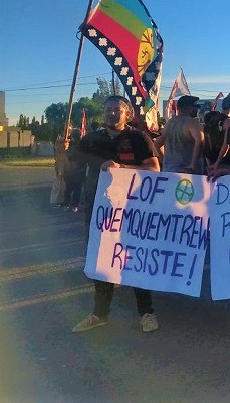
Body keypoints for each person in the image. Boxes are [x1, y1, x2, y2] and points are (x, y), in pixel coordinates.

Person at [72, 95, 161, 334]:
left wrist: (122, 168)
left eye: (117, 110)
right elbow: (73, 167)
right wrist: (68, 148)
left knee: (134, 258)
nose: (112, 113)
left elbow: (154, 168)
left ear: (127, 114)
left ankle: (146, 313)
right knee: (102, 261)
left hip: (132, 210)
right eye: (108, 109)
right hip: (99, 210)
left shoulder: (137, 137)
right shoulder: (92, 139)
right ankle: (99, 314)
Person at [154, 95, 204, 173]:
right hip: (188, 173)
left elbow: (157, 144)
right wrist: (192, 164)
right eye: (195, 106)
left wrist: (165, 162)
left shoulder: (169, 123)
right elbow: (200, 141)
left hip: (169, 171)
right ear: (189, 108)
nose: (197, 109)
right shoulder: (193, 122)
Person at [203, 96, 230, 166]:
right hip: (224, 162)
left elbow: (206, 144)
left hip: (210, 161)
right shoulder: (229, 122)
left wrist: (209, 164)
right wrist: (217, 164)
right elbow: (226, 145)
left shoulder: (210, 120)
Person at [63, 129, 86, 212]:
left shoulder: (70, 145)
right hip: (78, 169)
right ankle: (74, 205)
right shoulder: (82, 145)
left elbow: (66, 156)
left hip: (72, 169)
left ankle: (67, 204)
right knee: (76, 189)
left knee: (69, 188)